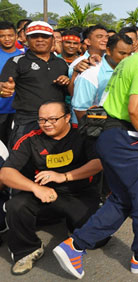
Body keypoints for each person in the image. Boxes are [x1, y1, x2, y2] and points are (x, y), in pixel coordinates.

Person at [52, 26, 138, 279]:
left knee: (123, 199)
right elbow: (135, 108)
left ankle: (75, 246)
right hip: (125, 137)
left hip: (110, 136)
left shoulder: (128, 62)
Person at [0, 101, 103, 275]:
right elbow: (5, 173)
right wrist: (35, 188)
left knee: (99, 239)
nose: (47, 124)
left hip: (78, 193)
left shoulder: (83, 134)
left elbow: (98, 163)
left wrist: (64, 176)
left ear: (68, 117)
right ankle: (28, 249)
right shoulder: (30, 139)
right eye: (42, 120)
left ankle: (74, 226)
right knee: (16, 206)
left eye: (53, 119)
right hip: (44, 194)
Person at [0, 21, 69, 148]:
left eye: (45, 37)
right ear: (26, 39)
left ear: (53, 39)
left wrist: (67, 80)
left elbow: (69, 92)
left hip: (56, 120)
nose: (40, 40)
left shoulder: (61, 63)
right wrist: (4, 89)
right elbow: (4, 85)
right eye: (34, 37)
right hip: (28, 120)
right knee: (22, 160)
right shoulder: (16, 61)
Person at [71, 33, 133, 122]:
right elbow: (80, 110)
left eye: (129, 54)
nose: (126, 58)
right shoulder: (91, 73)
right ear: (108, 50)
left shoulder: (130, 70)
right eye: (122, 53)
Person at [0, 21, 22, 144]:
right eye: (2, 36)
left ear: (16, 36)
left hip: (18, 111)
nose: (7, 39)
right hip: (0, 110)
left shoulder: (25, 56)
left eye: (10, 35)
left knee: (16, 146)